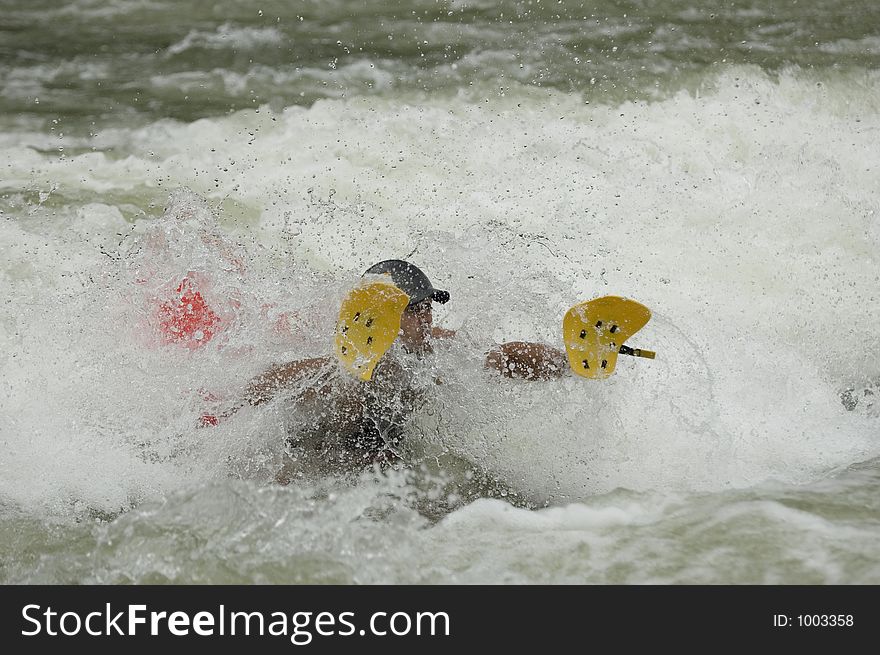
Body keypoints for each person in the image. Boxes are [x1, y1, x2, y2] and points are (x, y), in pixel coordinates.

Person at [240, 259, 569, 481]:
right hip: (316, 464)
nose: (426, 321)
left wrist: (572, 361)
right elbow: (265, 383)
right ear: (381, 319)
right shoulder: (346, 368)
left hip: (383, 460)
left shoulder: (434, 349)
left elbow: (503, 358)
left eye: (428, 310)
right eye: (414, 312)